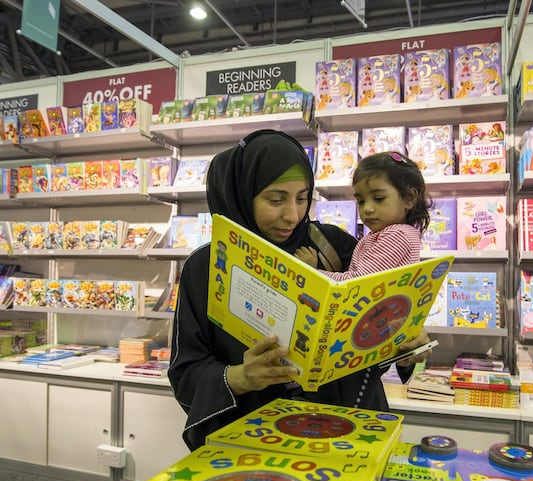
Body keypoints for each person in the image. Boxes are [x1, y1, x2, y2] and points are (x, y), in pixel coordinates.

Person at [168, 129, 432, 451]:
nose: (292, 215)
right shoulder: (207, 267)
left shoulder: (337, 247)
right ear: (242, 193)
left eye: (302, 198)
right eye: (275, 199)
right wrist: (241, 376)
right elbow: (186, 370)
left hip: (345, 433)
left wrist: (406, 344)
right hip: (253, 438)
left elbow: (372, 335)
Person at [296, 151, 431, 280]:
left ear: (409, 198)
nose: (367, 209)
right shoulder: (389, 234)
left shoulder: (396, 237)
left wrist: (313, 272)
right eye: (361, 201)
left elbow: (358, 283)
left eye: (379, 198)